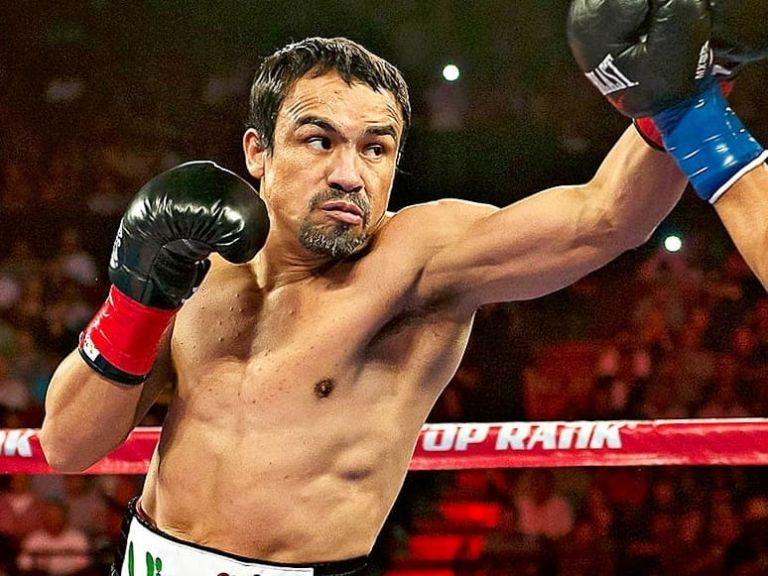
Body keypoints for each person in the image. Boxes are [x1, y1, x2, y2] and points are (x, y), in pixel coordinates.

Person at [38, 4, 762, 576]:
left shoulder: (417, 261)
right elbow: (68, 445)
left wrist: (684, 91)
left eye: (376, 148)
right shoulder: (197, 268)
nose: (349, 175)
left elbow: (604, 217)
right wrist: (137, 297)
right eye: (319, 140)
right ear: (258, 152)